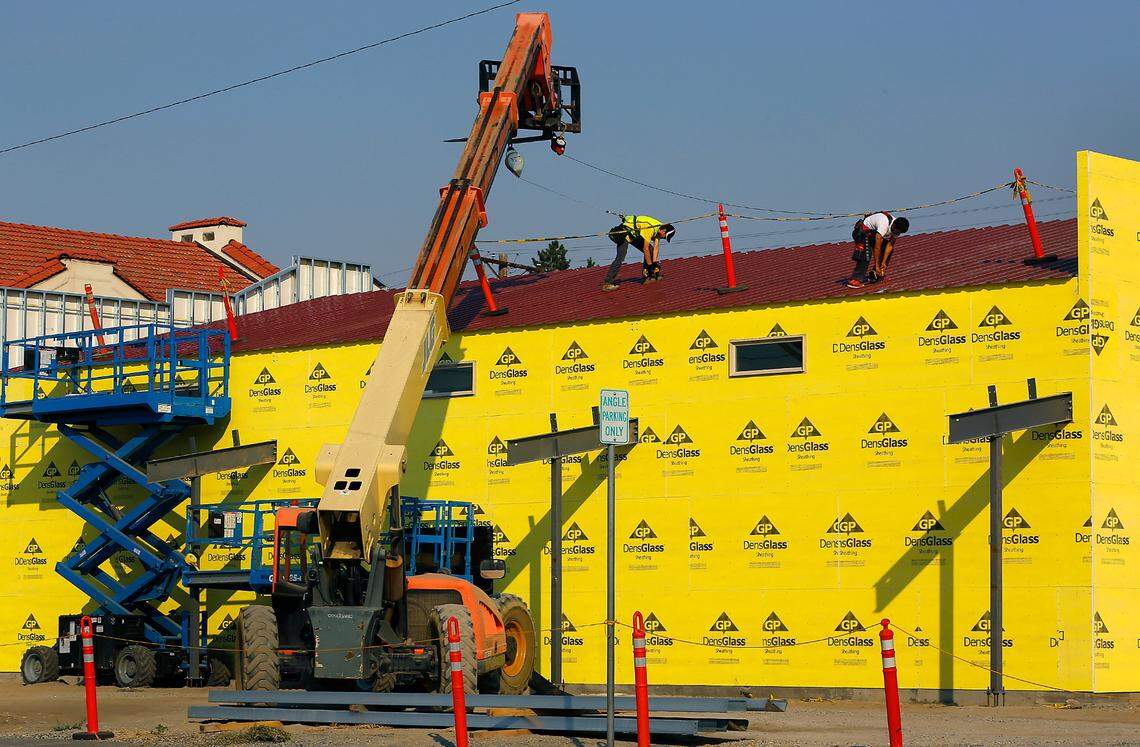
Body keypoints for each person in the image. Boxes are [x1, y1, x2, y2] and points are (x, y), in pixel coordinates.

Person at [602, 215, 676, 290]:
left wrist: (655, 264)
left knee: (651, 250)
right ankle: (608, 283)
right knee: (620, 258)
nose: (663, 238)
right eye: (664, 236)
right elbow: (645, 249)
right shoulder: (650, 228)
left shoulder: (659, 228)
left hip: (634, 235)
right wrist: (650, 266)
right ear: (663, 230)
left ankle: (648, 275)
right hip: (625, 233)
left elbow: (656, 248)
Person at [847, 212, 909, 288]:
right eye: (895, 231)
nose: (895, 233)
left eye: (898, 233)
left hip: (872, 235)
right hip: (862, 233)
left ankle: (875, 274)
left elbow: (889, 246)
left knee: (889, 250)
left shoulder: (898, 228)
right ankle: (854, 280)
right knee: (866, 254)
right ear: (894, 225)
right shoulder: (884, 224)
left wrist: (883, 263)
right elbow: (877, 247)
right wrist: (877, 265)